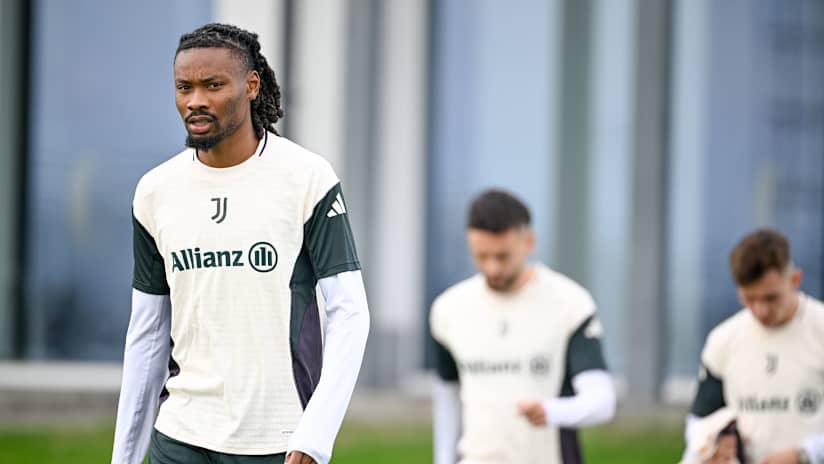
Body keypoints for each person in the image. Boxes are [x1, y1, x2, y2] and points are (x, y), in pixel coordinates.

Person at [111, 23, 370, 464]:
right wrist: (125, 456)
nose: (195, 100)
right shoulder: (155, 191)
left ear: (251, 86)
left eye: (213, 85)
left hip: (277, 443)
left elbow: (350, 313)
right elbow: (147, 333)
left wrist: (315, 435)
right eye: (184, 87)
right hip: (179, 436)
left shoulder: (307, 177)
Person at [429, 189, 616, 464]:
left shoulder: (570, 303)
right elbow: (447, 402)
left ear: (529, 241)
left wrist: (552, 411)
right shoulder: (448, 310)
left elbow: (602, 401)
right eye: (481, 256)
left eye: (502, 256)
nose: (492, 268)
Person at [682, 229, 824, 464]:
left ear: (795, 279)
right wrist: (717, 438)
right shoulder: (723, 339)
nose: (761, 310)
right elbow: (700, 422)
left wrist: (806, 454)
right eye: (749, 298)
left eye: (770, 298)